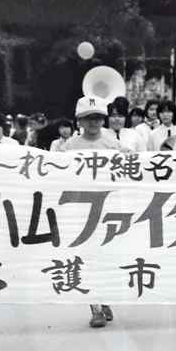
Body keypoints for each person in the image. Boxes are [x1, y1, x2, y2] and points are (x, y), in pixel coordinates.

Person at [61, 96, 121, 328]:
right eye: (88, 118)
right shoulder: (69, 148)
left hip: (109, 209)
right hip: (80, 210)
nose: (93, 122)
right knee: (88, 258)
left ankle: (104, 298)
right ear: (80, 121)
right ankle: (95, 307)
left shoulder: (113, 144)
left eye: (97, 118)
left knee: (107, 258)